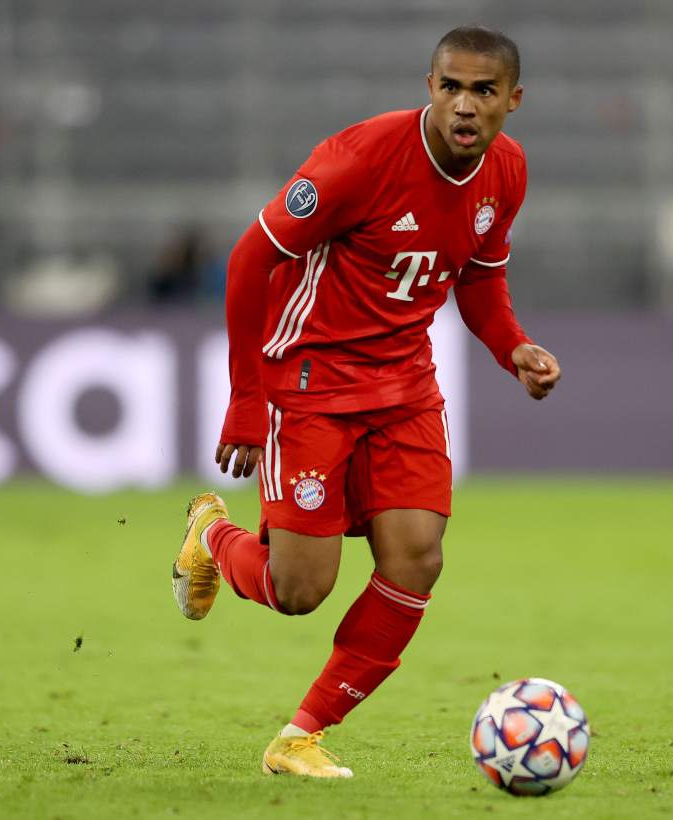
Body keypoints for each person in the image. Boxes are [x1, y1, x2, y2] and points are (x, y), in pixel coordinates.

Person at [169, 25, 560, 778]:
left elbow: (478, 276)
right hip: (311, 381)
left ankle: (301, 735)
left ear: (513, 100)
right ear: (430, 87)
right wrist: (246, 400)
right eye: (451, 87)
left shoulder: (506, 170)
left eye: (483, 91)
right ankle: (211, 534)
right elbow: (249, 260)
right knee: (299, 589)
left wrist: (512, 347)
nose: (465, 105)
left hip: (405, 386)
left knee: (417, 559)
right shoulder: (359, 161)